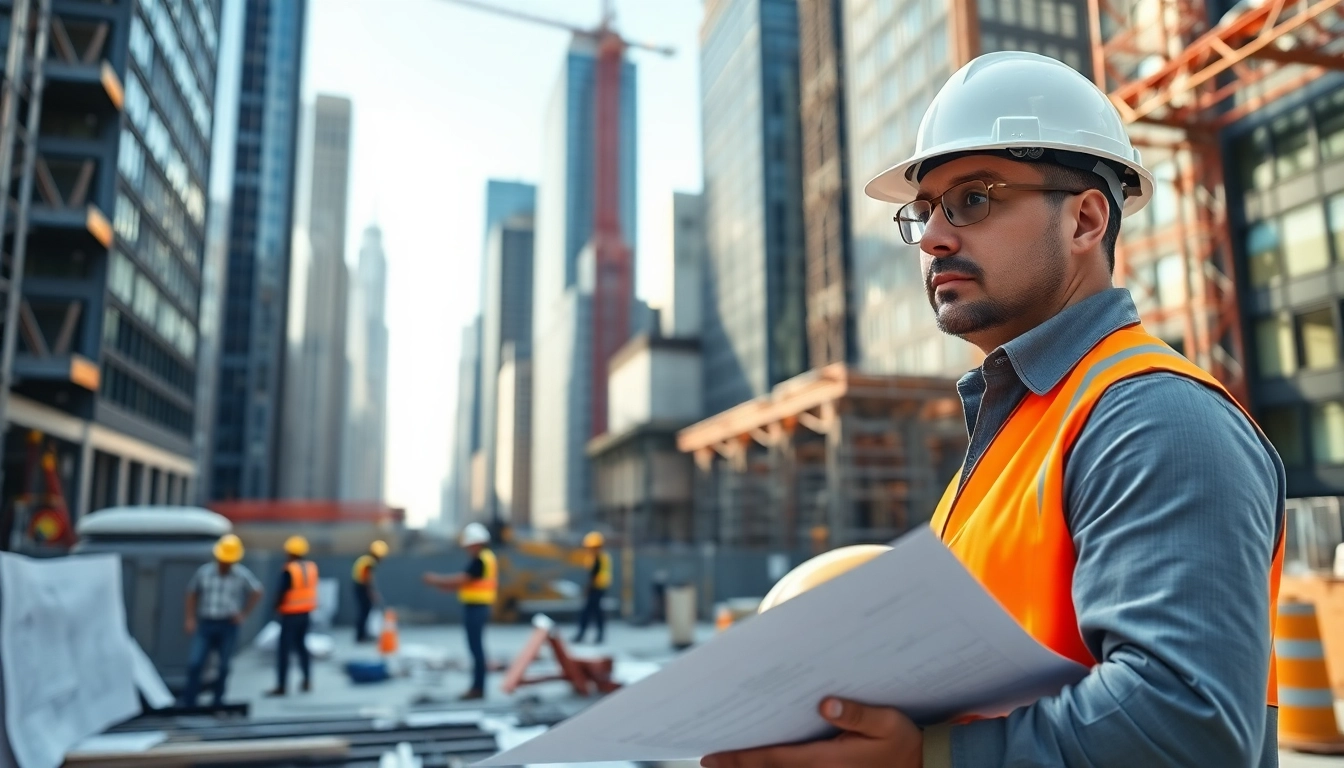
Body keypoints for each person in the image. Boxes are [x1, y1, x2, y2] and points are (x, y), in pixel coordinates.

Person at [700, 51, 1285, 768]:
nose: (935, 237)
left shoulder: (1154, 418)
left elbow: (1182, 723)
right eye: (922, 212)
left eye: (973, 199)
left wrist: (925, 758)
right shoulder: (1014, 434)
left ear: (1086, 220)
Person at [181, 534, 262, 708]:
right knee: (196, 662)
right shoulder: (204, 572)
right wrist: (190, 618)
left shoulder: (240, 574)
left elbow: (257, 591)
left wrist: (243, 613)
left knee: (223, 665)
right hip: (207, 622)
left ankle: (218, 701)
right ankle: (190, 702)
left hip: (227, 625)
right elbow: (192, 593)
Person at [423, 522, 497, 700]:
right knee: (476, 648)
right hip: (478, 606)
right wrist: (445, 586)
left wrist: (437, 580)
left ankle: (478, 688)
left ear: (476, 543)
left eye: (469, 545)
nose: (467, 549)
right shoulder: (485, 558)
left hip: (477, 607)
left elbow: (462, 579)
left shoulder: (481, 559)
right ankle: (478, 687)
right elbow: (468, 583)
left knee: (476, 649)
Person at [267, 535, 319, 697]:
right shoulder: (311, 567)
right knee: (302, 647)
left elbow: (282, 592)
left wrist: (275, 607)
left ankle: (282, 685)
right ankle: (307, 680)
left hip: (290, 614)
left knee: (284, 651)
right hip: (306, 612)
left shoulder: (290, 569)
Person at [572, 531, 611, 644]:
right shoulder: (597, 557)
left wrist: (587, 588)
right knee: (596, 612)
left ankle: (583, 634)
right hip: (598, 588)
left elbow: (593, 575)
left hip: (597, 588)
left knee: (589, 612)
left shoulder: (599, 558)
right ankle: (595, 635)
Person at [352, 539, 388, 643]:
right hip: (362, 588)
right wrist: (372, 592)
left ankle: (362, 634)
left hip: (359, 587)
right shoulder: (369, 562)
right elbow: (367, 579)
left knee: (363, 611)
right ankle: (361, 636)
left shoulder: (365, 559)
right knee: (364, 612)